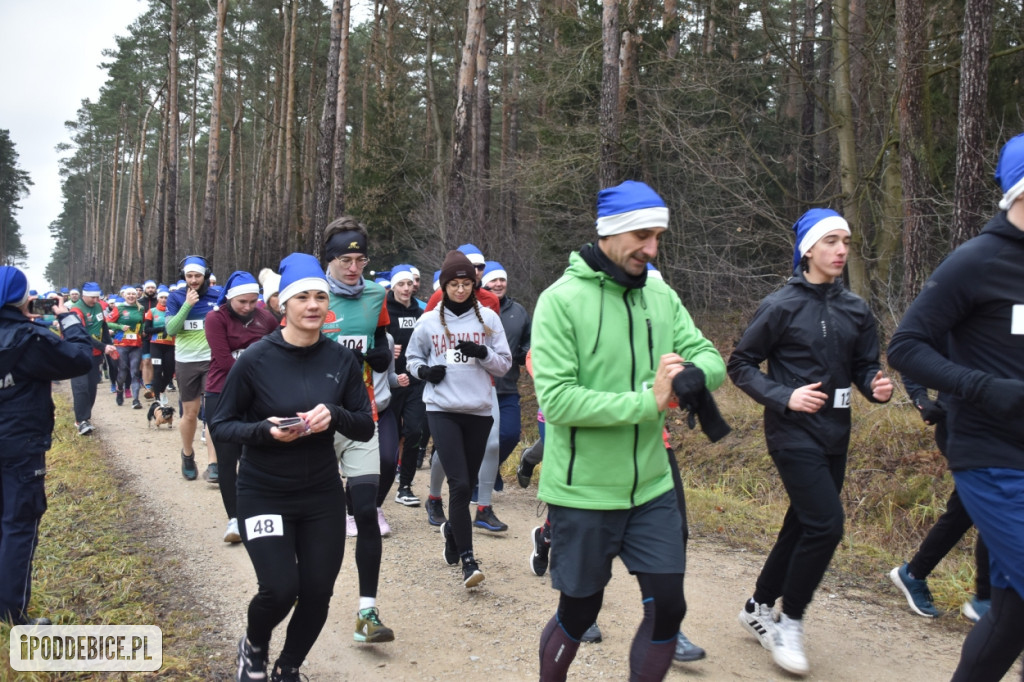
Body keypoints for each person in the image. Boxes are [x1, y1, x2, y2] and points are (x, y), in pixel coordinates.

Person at [531, 180, 725, 681]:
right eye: (642, 234)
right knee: (579, 614)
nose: (652, 248)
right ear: (610, 234)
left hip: (652, 486)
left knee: (668, 608)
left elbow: (708, 354)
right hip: (584, 491)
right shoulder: (560, 301)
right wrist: (650, 400)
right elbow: (557, 399)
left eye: (658, 236)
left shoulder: (658, 292)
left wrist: (693, 377)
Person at [728, 208, 893, 676]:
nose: (841, 250)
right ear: (808, 250)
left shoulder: (856, 308)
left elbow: (863, 367)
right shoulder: (780, 305)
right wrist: (784, 396)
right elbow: (741, 364)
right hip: (791, 432)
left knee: (803, 523)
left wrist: (875, 387)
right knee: (826, 525)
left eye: (845, 241)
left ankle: (757, 605)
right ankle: (790, 620)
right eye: (830, 241)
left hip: (835, 433)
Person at [887, 132, 1024, 682]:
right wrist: (985, 387)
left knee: (1012, 610)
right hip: (992, 456)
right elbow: (906, 347)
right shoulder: (976, 261)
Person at [210, 253, 373, 682]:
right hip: (264, 492)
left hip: (320, 495)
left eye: (321, 296)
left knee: (318, 592)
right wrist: (264, 431)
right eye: (303, 297)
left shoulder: (340, 360)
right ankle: (255, 645)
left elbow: (366, 427)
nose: (314, 305)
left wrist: (333, 415)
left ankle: (288, 668)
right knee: (281, 589)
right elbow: (222, 424)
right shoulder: (255, 360)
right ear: (283, 304)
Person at [405, 250, 512, 588]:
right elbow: (412, 358)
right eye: (455, 284)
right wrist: (424, 371)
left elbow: (505, 364)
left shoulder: (489, 320)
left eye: (467, 284)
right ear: (445, 285)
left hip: (479, 410)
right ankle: (468, 560)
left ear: (474, 283)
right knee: (462, 484)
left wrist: (483, 353)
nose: (462, 290)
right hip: (442, 409)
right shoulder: (429, 321)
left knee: (463, 489)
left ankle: (452, 528)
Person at [0, 268, 94, 624]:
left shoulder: (31, 334)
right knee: (19, 522)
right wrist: (67, 318)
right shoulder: (31, 338)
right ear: (24, 298)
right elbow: (81, 359)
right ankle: (11, 614)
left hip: (17, 437)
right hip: (21, 442)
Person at [320, 216, 396, 643]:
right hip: (314, 420)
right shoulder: (310, 297)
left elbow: (379, 340)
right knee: (320, 518)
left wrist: (380, 354)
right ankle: (303, 590)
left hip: (361, 416)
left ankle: (367, 613)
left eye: (360, 259)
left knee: (365, 512)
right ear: (328, 260)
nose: (354, 267)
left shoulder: (375, 294)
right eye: (346, 259)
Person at [888, 375, 990, 621]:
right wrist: (921, 398)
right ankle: (986, 598)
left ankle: (914, 573)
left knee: (965, 509)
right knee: (993, 505)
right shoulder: (965, 335)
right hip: (964, 429)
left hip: (1005, 432)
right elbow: (910, 350)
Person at [424, 244, 508, 532]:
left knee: (493, 444)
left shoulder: (490, 304)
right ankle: (434, 497)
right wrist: (428, 371)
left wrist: (482, 353)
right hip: (447, 393)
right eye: (474, 267)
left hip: (482, 386)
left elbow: (496, 350)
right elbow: (428, 339)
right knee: (446, 454)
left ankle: (484, 507)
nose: (479, 272)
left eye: (480, 268)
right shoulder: (439, 298)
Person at [204, 271, 279, 544]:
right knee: (227, 458)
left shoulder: (266, 319)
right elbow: (223, 360)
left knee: (259, 455)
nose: (248, 307)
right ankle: (234, 519)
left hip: (258, 396)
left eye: (252, 301)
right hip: (221, 392)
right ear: (229, 299)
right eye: (242, 302)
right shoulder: (215, 318)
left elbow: (278, 350)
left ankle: (260, 513)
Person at [165, 255, 221, 482]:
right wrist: (187, 305)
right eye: (189, 276)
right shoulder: (176, 297)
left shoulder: (218, 295)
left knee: (213, 413)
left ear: (206, 275)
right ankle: (187, 454)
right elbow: (171, 329)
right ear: (183, 276)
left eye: (198, 275)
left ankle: (213, 463)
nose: (194, 280)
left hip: (212, 361)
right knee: (190, 414)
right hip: (186, 361)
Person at [481, 261, 531, 486]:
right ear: (484, 282)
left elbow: (527, 343)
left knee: (510, 435)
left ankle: (489, 470)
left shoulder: (518, 311)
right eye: (493, 280)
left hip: (508, 386)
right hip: (479, 387)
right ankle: (479, 479)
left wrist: (526, 353)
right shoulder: (476, 309)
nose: (499, 284)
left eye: (502, 279)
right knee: (483, 439)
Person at [385, 264, 426, 507]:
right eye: (401, 284)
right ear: (393, 286)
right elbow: (375, 340)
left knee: (414, 431)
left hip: (414, 381)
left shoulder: (420, 311)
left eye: (410, 284)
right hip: (389, 382)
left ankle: (405, 486)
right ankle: (379, 479)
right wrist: (388, 349)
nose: (406, 288)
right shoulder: (382, 309)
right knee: (389, 438)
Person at [69, 282, 117, 435]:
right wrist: (104, 347)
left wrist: (110, 345)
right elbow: (82, 334)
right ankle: (81, 421)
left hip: (95, 354)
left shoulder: (98, 307)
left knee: (91, 387)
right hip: (79, 353)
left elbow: (103, 326)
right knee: (80, 387)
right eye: (92, 298)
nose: (96, 300)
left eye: (98, 297)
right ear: (84, 296)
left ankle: (85, 417)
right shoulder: (77, 309)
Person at [107, 285, 147, 409]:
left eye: (133, 294)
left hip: (136, 345)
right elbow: (107, 322)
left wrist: (143, 331)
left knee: (135, 372)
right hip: (121, 344)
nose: (131, 296)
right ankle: (120, 390)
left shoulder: (141, 308)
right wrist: (119, 327)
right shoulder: (119, 308)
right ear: (124, 296)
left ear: (137, 295)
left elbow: (143, 323)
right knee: (123, 372)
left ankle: (136, 400)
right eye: (128, 294)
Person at [143, 286, 176, 406]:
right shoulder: (151, 311)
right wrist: (162, 329)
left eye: (166, 297)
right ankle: (157, 397)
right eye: (161, 297)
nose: (163, 300)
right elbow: (147, 329)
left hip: (170, 345)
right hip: (156, 345)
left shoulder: (173, 311)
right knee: (157, 371)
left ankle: (161, 390)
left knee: (169, 371)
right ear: (158, 298)